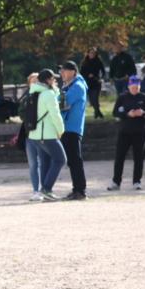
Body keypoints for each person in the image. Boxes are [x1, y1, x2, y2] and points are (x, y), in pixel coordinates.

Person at [26, 69, 67, 201]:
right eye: (53, 78)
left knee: (45, 162)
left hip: (35, 135)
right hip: (47, 134)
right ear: (48, 80)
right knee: (60, 159)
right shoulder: (48, 94)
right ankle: (46, 189)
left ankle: (44, 190)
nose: (55, 81)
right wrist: (61, 130)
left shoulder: (34, 92)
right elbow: (55, 115)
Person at [106, 75, 145, 192]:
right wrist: (127, 114)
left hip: (140, 132)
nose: (135, 89)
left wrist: (143, 113)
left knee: (138, 158)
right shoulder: (122, 97)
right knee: (119, 157)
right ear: (128, 86)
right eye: (133, 87)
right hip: (124, 132)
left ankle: (137, 181)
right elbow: (115, 113)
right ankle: (116, 182)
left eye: (137, 87)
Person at [59, 61, 89, 201]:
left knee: (75, 160)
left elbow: (63, 103)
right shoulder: (71, 86)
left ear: (73, 72)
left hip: (72, 128)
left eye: (64, 70)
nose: (62, 73)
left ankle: (80, 191)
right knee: (72, 160)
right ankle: (77, 189)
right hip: (69, 128)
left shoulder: (77, 86)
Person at [17, 73, 44, 200]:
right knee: (33, 164)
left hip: (43, 134)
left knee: (43, 163)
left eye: (37, 81)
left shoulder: (45, 94)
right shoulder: (26, 97)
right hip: (30, 134)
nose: (35, 84)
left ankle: (45, 188)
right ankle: (36, 190)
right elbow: (21, 112)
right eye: (32, 82)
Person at [80, 47, 106, 119]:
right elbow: (81, 73)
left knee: (95, 98)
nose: (92, 54)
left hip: (96, 82)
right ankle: (98, 112)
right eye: (91, 53)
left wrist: (101, 78)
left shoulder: (98, 61)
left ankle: (97, 113)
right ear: (88, 53)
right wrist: (87, 75)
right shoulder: (84, 62)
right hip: (88, 83)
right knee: (92, 100)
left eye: (94, 53)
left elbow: (103, 71)